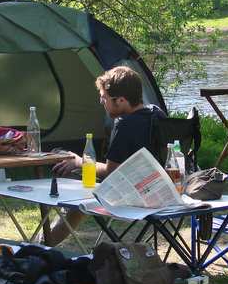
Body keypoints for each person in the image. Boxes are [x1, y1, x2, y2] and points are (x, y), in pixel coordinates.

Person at [46, 66, 165, 246]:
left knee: (68, 171)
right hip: (159, 191)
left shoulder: (125, 124)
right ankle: (48, 238)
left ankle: (45, 243)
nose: (101, 101)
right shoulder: (157, 114)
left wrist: (79, 162)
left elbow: (111, 172)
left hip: (130, 197)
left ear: (121, 100)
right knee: (74, 170)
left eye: (104, 98)